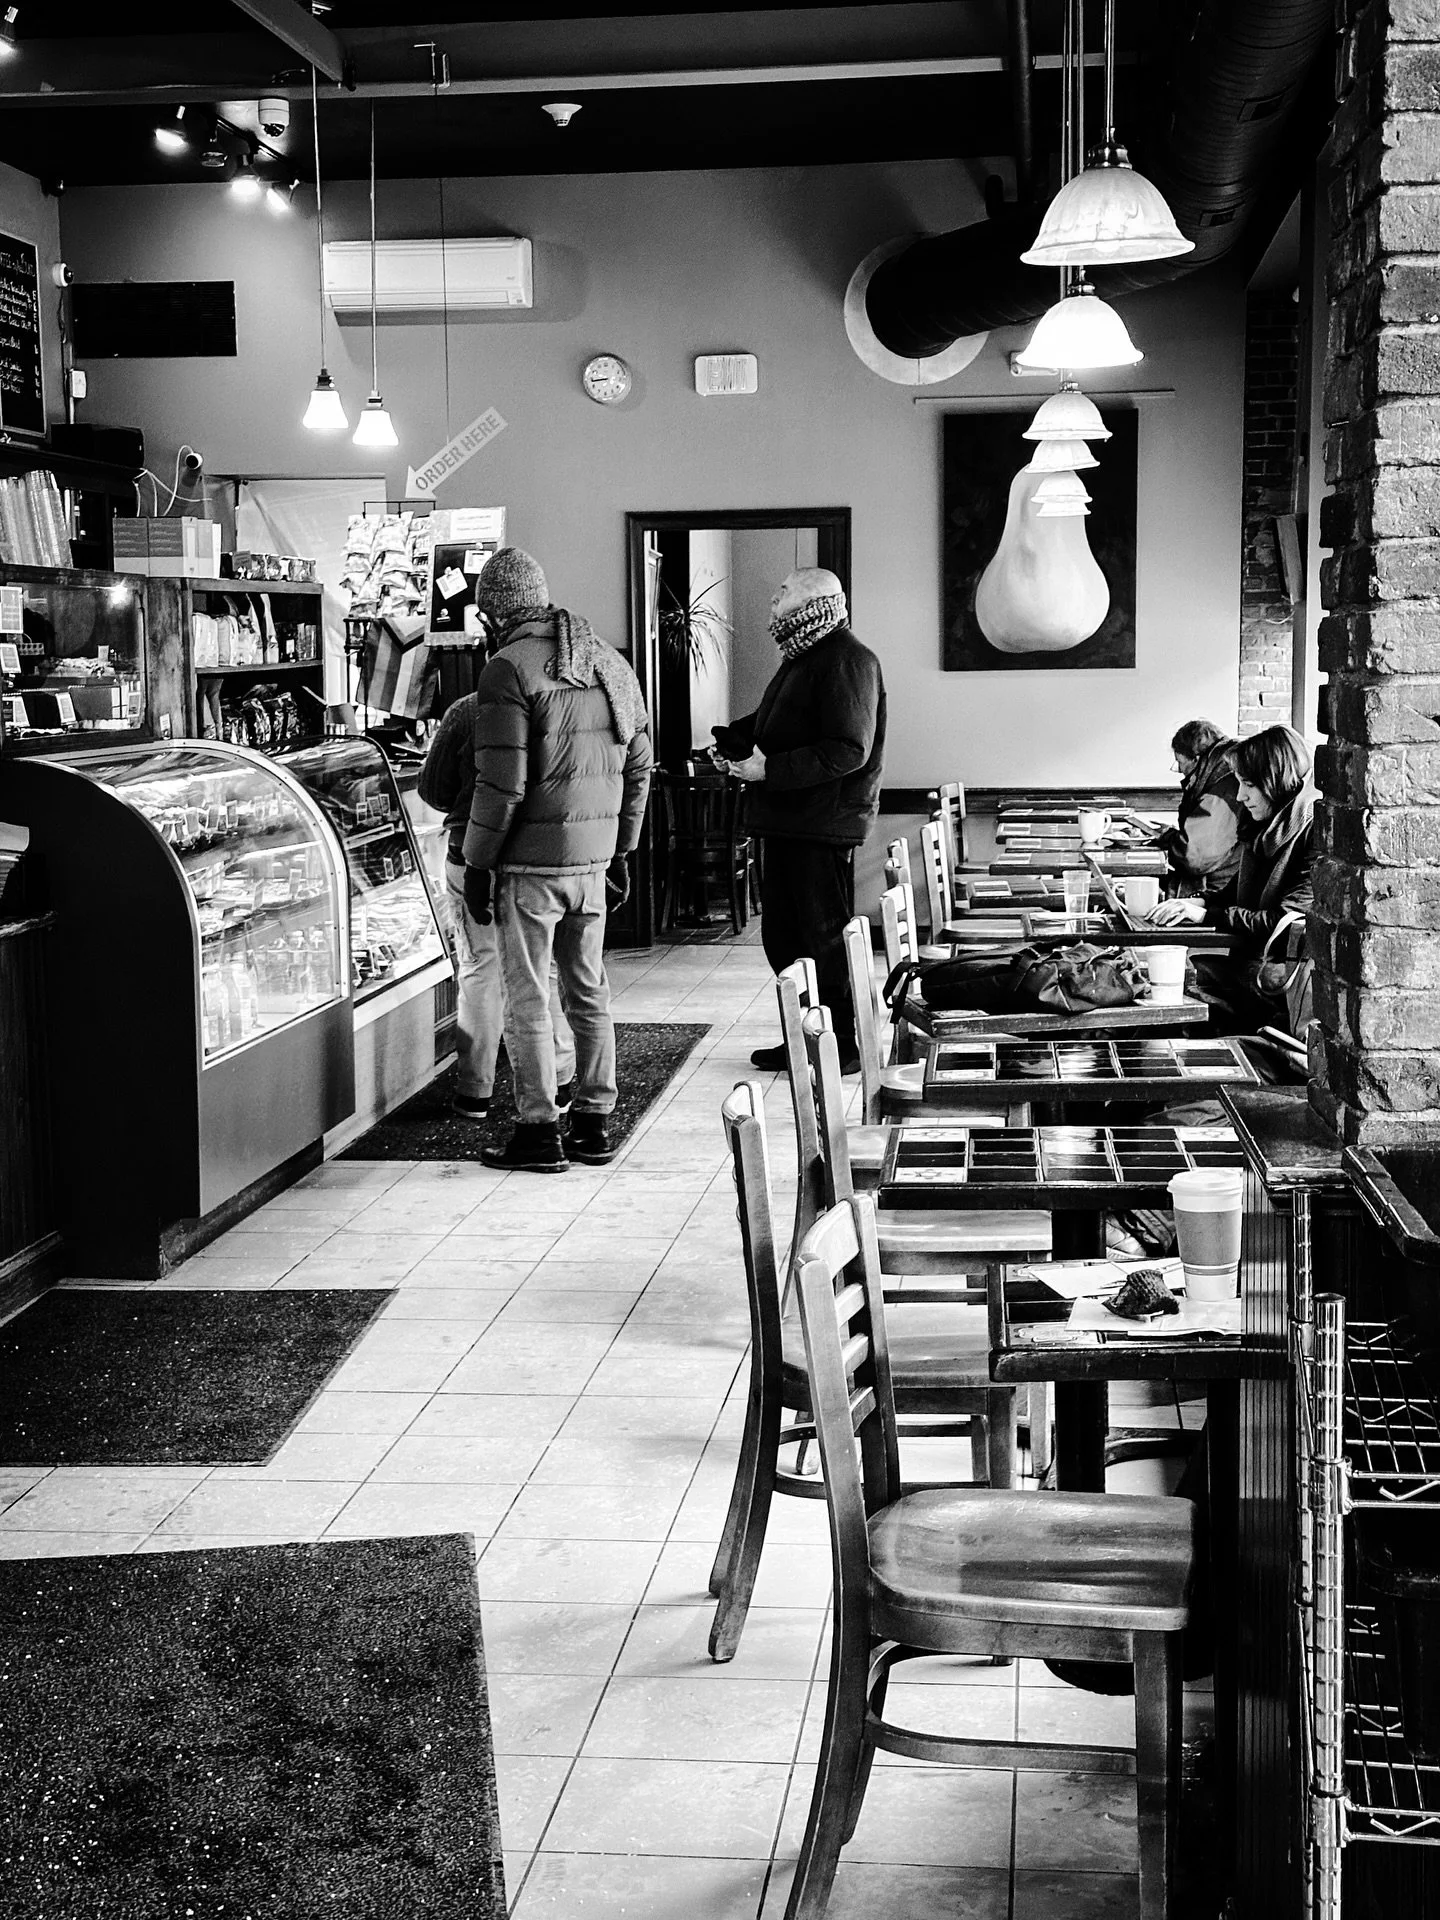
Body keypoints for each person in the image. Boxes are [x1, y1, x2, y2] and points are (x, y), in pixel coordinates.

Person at [461, 547, 653, 1172]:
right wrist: (622, 848)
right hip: (591, 865)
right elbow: (639, 764)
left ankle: (539, 1131)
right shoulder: (606, 660)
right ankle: (594, 1124)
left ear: (495, 612)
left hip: (530, 869)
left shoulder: (506, 670)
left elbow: (502, 785)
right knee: (588, 990)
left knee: (527, 997)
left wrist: (477, 863)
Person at [713, 567, 886, 1074]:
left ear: (814, 600)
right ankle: (805, 1038)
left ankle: (841, 1046)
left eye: (784, 591)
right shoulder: (804, 656)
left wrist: (770, 769)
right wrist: (731, 743)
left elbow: (849, 749)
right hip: (792, 821)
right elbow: (773, 725)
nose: (773, 597)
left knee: (821, 941)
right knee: (786, 941)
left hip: (821, 825)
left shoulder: (847, 659)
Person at [418, 673, 576, 1121]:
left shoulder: (466, 710)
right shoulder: (562, 704)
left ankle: (475, 1090)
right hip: (538, 858)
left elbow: (432, 790)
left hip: (470, 851)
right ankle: (560, 1079)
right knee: (542, 969)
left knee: (479, 969)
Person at [1151, 723, 1316, 1035]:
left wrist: (1206, 915)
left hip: (1278, 979)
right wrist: (1196, 903)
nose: (1240, 795)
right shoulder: (1265, 826)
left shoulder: (1314, 834)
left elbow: (1283, 923)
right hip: (1253, 962)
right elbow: (1233, 890)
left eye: (1249, 785)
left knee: (1174, 984)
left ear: (1277, 782)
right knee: (1168, 979)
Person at [1155, 717, 1246, 891]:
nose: (1181, 771)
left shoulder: (1223, 790)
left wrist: (1167, 838)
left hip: (1217, 889)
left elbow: (1194, 857)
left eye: (1180, 763)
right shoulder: (1223, 776)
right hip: (1224, 881)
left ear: (1197, 759)